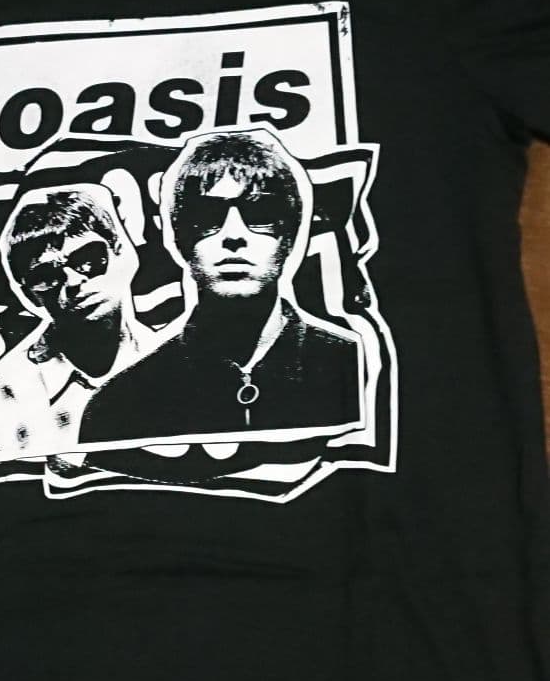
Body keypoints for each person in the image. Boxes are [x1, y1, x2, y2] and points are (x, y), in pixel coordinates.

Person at [79, 128, 364, 452]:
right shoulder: (120, 405)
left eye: (260, 214)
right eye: (207, 217)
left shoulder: (355, 367)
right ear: (178, 237)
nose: (233, 236)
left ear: (289, 235)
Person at [0, 184, 159, 461]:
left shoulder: (179, 359)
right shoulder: (6, 388)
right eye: (46, 276)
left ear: (119, 252)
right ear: (31, 294)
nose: (73, 282)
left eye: (88, 260)